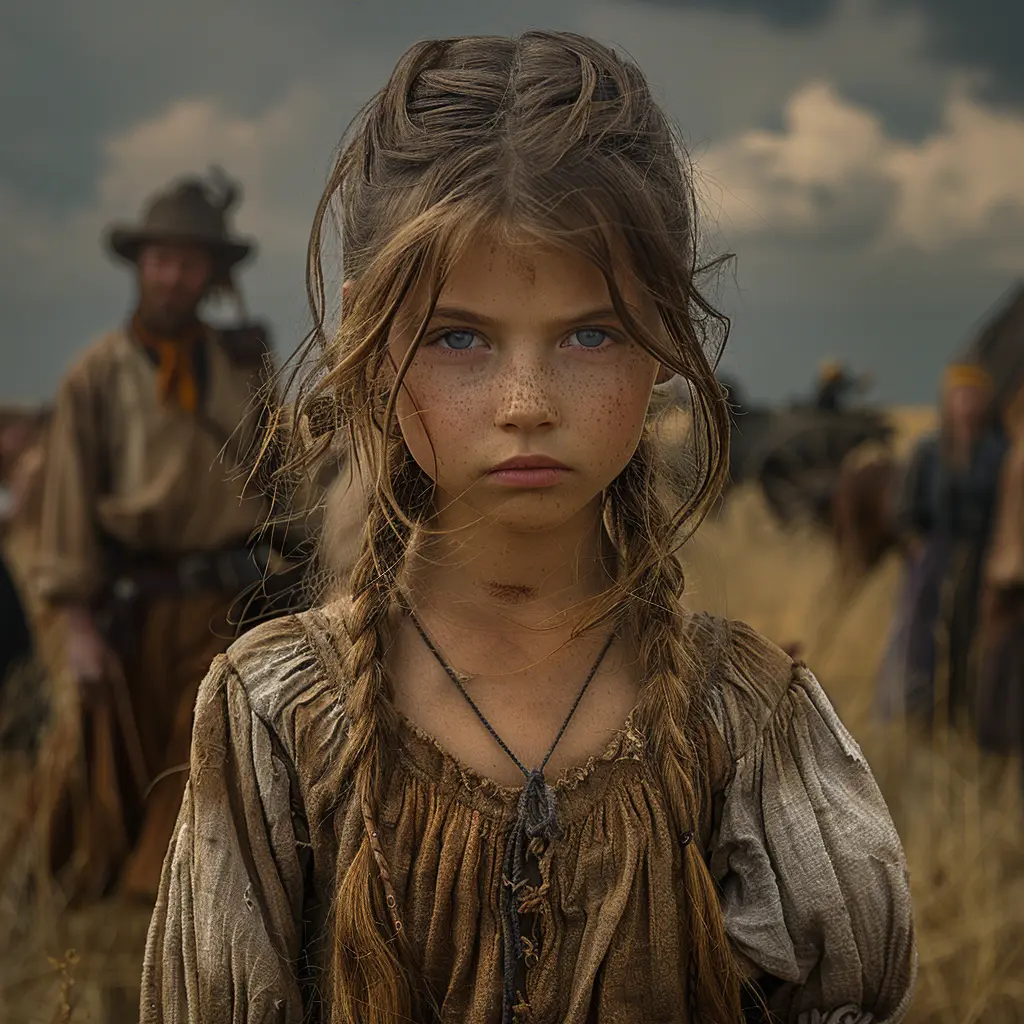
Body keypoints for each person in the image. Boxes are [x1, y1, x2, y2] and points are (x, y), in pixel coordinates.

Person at [142, 33, 915, 1024]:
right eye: (458, 335)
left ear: (666, 338)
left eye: (590, 332)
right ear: (367, 340)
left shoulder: (753, 724)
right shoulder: (273, 717)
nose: (524, 400)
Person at [31, 169, 295, 905]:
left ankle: (174, 906)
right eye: (159, 259)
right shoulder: (99, 374)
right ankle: (99, 930)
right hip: (137, 608)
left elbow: (281, 481)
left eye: (186, 261)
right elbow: (69, 506)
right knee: (115, 769)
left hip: (230, 603)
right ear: (140, 266)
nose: (170, 275)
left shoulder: (244, 364)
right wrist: (78, 626)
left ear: (210, 273)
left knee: (200, 758)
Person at [876, 363, 1007, 726]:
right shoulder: (927, 450)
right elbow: (902, 507)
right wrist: (916, 544)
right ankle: (916, 716)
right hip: (932, 555)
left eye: (973, 396)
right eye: (959, 395)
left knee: (970, 637)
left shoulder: (998, 452)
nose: (966, 404)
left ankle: (965, 715)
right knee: (918, 637)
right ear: (948, 401)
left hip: (981, 556)